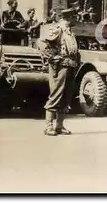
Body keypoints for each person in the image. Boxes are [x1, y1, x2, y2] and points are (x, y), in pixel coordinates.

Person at [39, 8, 80, 136]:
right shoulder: (58, 29)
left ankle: (59, 126)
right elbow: (42, 43)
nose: (76, 19)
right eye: (74, 17)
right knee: (56, 94)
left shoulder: (69, 32)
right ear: (68, 18)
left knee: (65, 96)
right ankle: (48, 126)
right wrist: (51, 57)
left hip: (70, 66)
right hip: (60, 67)